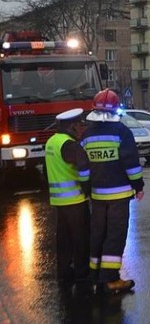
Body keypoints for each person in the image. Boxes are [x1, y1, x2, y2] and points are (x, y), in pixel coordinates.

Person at [80, 88, 144, 294]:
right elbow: (131, 164)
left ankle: (95, 274)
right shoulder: (122, 132)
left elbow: (83, 168)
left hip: (97, 195)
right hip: (119, 195)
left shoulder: (86, 135)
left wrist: (87, 189)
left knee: (98, 233)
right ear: (116, 109)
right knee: (115, 235)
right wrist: (139, 186)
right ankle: (111, 279)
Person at [44, 108, 91, 285]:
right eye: (79, 125)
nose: (81, 129)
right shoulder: (70, 145)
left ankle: (64, 271)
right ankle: (82, 272)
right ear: (71, 126)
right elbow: (84, 168)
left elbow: (46, 171)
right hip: (75, 199)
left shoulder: (51, 142)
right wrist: (88, 190)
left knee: (63, 238)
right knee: (80, 237)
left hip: (59, 200)